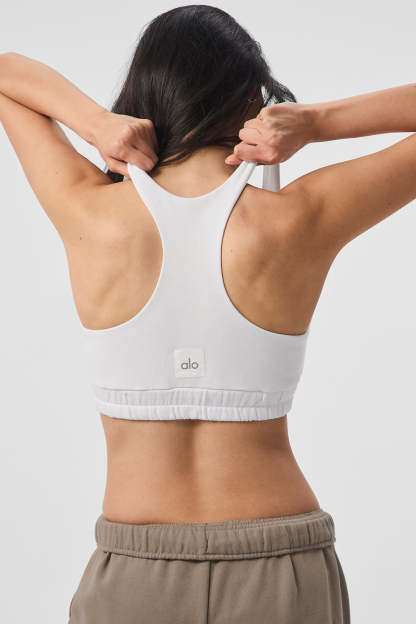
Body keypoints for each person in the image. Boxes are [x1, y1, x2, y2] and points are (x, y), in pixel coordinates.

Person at [1, 5, 415, 624]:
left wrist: (94, 124)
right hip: (283, 566)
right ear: (251, 101)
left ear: (143, 95)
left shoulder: (90, 214)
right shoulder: (298, 218)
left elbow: (7, 70)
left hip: (133, 573)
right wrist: (316, 123)